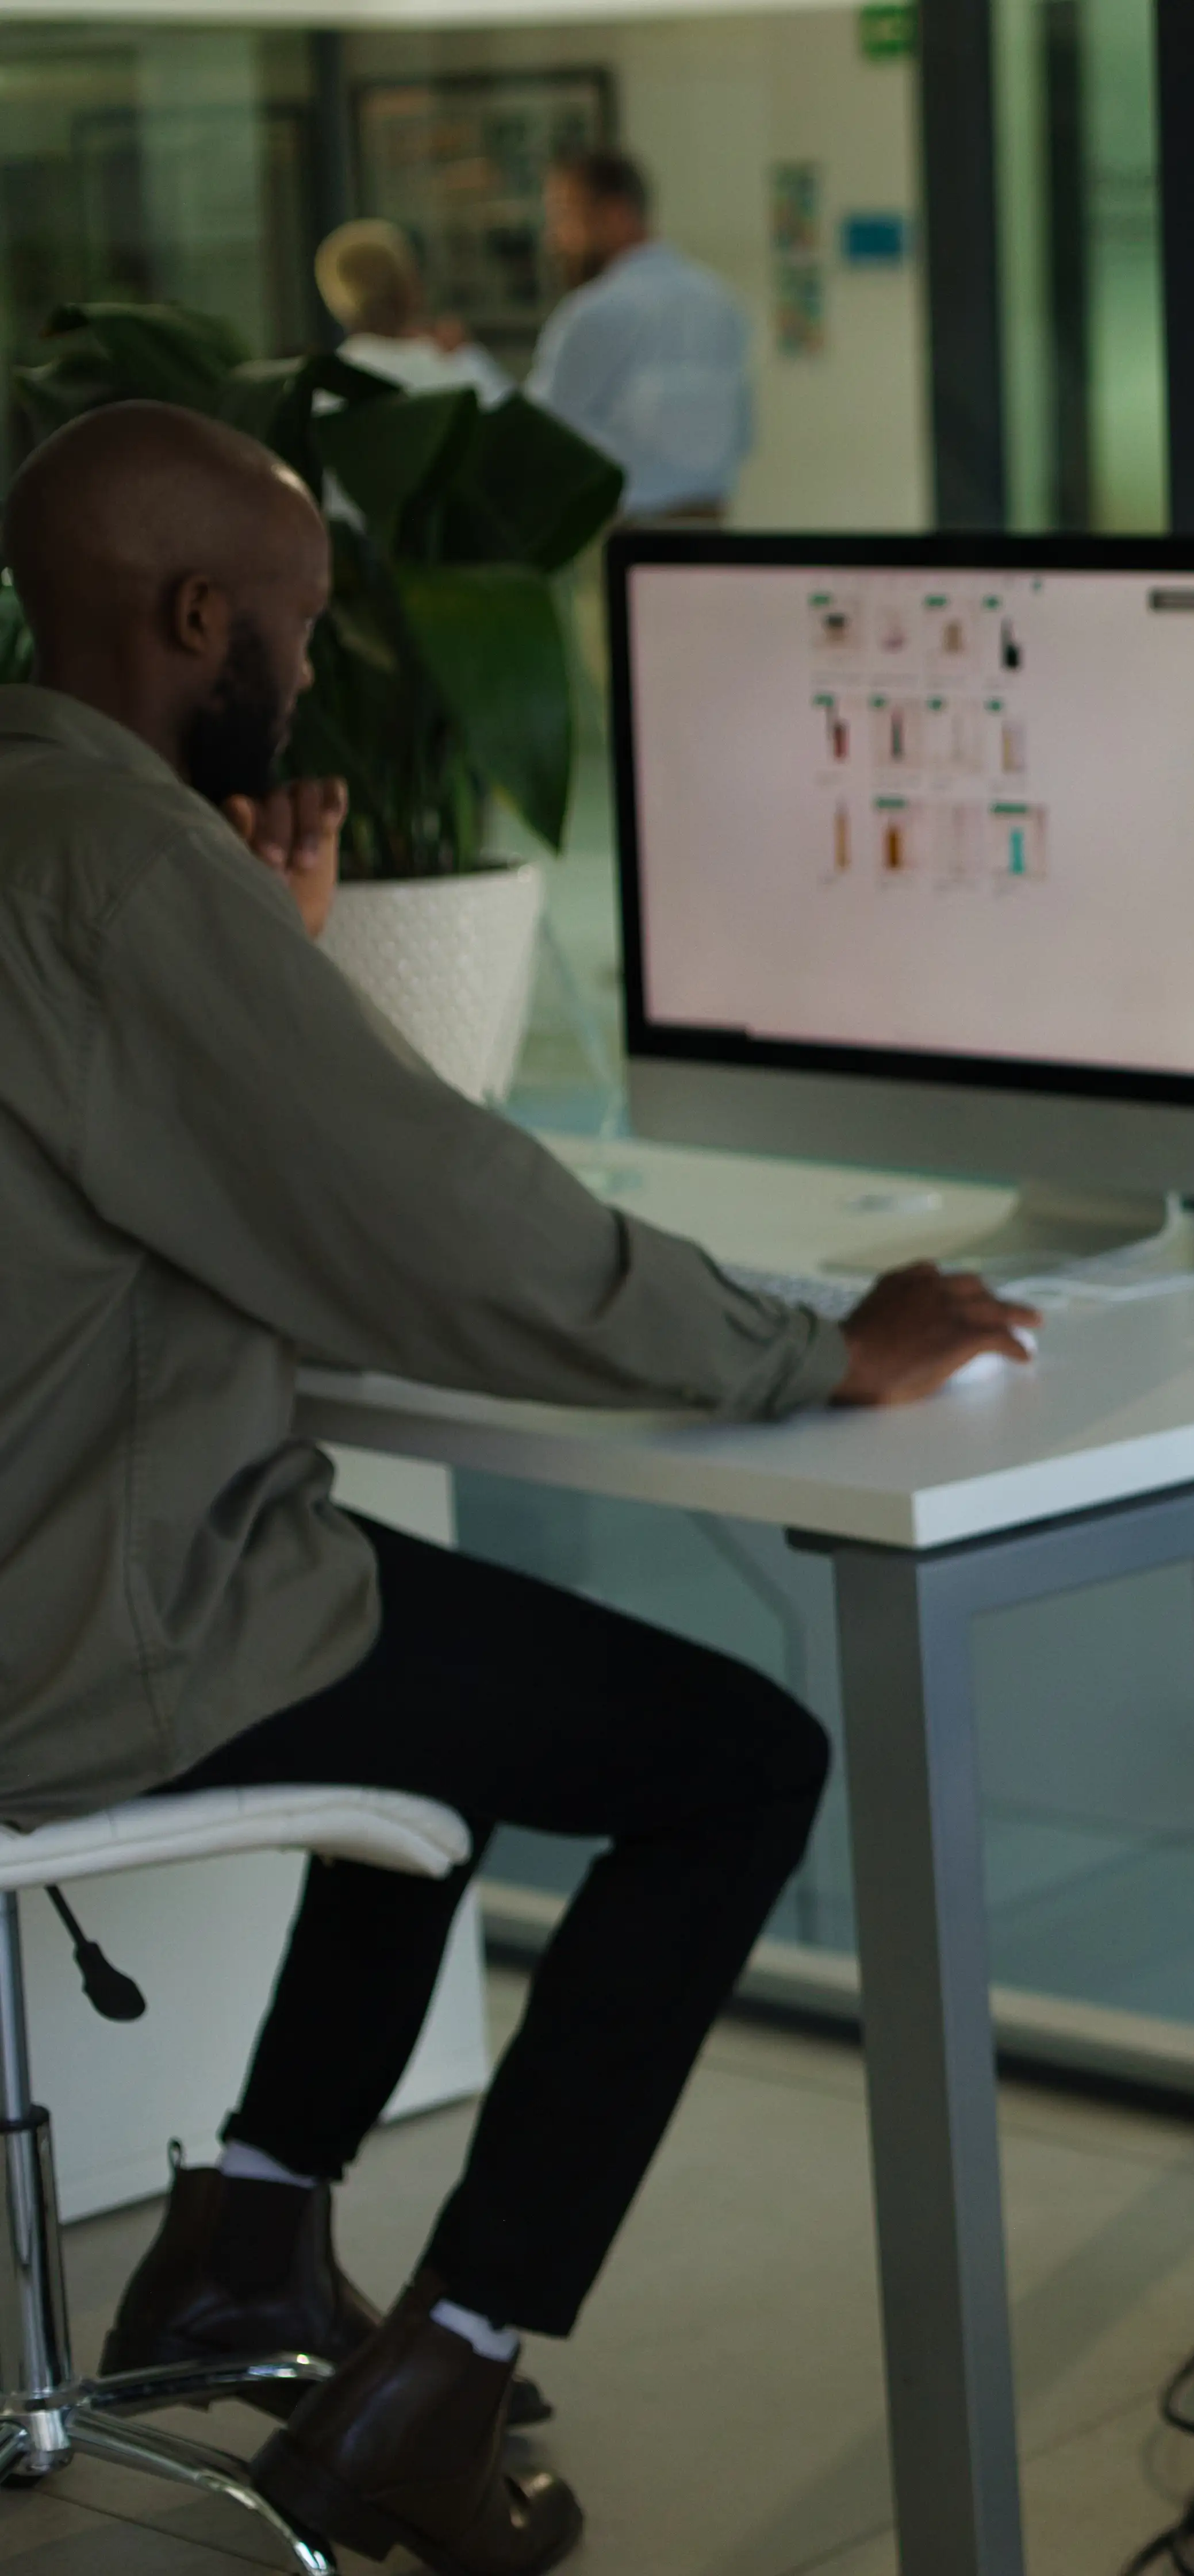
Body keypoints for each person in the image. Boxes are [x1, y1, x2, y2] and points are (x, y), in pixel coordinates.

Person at [0, 401, 1034, 2575]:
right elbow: (429, 1221)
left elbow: (185, 1174)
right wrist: (800, 1342)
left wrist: (261, 981)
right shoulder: (109, 871)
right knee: (732, 1758)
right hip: (84, 1629)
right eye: (284, 625)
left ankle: (254, 2239)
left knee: (440, 1687)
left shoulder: (45, 832)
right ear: (200, 619)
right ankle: (438, 2379)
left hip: (58, 1568)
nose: (299, 667)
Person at [525, 146, 748, 524]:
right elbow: (742, 433)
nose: (554, 239)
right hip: (709, 529)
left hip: (627, 534)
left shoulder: (596, 313)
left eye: (565, 219)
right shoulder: (720, 301)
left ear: (616, 216)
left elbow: (538, 433)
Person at [313, 218, 512, 402]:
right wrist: (468, 353)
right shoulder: (453, 365)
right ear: (408, 285)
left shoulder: (328, 387)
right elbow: (521, 427)